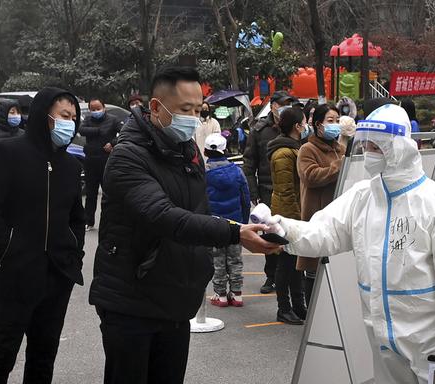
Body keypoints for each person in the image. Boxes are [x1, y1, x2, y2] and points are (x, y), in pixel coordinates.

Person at [254, 104, 435, 383]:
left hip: (427, 336)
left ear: (400, 148)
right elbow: (325, 232)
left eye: (376, 145)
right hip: (379, 332)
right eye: (366, 143)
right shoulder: (363, 197)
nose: (368, 151)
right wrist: (282, 229)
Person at [88, 66, 279, 384]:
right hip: (131, 301)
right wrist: (234, 232)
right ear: (155, 107)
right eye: (184, 110)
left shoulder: (187, 151)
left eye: (197, 109)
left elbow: (198, 211)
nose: (192, 118)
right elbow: (164, 216)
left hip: (176, 299)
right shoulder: (127, 157)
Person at [0, 87, 86, 383]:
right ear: (43, 115)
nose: (70, 123)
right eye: (64, 115)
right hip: (15, 275)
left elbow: (76, 217)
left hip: (57, 275)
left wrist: (74, 254)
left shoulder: (71, 165)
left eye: (74, 117)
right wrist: (7, 250)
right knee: (1, 356)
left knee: (43, 357)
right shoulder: (8, 152)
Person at [243, 90, 294, 294]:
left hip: (290, 189)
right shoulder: (259, 130)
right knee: (270, 234)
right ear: (272, 105)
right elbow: (249, 163)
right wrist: (252, 191)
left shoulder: (294, 126)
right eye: (282, 104)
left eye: (288, 104)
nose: (285, 108)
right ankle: (271, 276)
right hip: (267, 190)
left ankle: (290, 277)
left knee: (291, 232)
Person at [296, 104, 346, 307]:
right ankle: (312, 317)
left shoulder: (340, 149)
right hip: (317, 215)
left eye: (337, 120)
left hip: (340, 216)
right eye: (330, 121)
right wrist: (339, 165)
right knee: (314, 270)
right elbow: (310, 177)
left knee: (336, 268)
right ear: (318, 125)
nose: (335, 125)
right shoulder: (307, 149)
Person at [268, 106, 310, 324]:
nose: (306, 126)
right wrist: (295, 222)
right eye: (304, 122)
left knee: (295, 264)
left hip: (292, 214)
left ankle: (298, 305)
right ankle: (283, 308)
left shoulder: (293, 148)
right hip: (287, 216)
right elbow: (286, 191)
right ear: (296, 126)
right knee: (286, 263)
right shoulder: (283, 153)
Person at [202, 133, 250, 308]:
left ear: (206, 151)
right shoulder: (237, 172)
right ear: (225, 150)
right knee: (235, 259)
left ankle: (221, 295)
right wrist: (244, 223)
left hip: (213, 224)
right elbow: (245, 198)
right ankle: (237, 294)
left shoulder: (203, 173)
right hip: (235, 223)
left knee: (217, 260)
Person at [79, 98, 122, 231]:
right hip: (91, 160)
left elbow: (124, 132)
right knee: (91, 193)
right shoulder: (87, 120)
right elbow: (82, 130)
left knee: (108, 193)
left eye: (98, 108)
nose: (96, 111)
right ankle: (88, 221)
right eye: (93, 109)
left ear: (104, 108)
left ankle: (110, 221)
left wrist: (113, 143)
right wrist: (98, 131)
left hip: (107, 160)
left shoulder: (113, 119)